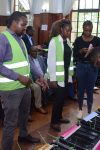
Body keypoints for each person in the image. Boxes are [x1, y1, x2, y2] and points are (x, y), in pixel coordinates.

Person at [0, 11, 46, 150]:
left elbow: (24, 63)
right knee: (10, 123)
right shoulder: (3, 39)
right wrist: (19, 77)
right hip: (11, 89)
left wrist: (36, 77)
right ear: (14, 23)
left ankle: (23, 135)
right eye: (23, 24)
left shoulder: (20, 38)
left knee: (24, 114)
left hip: (25, 86)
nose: (25, 28)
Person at [73, 20, 100, 118]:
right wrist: (81, 51)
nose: (88, 33)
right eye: (86, 30)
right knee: (80, 89)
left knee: (90, 90)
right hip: (81, 66)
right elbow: (74, 55)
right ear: (83, 29)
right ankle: (80, 109)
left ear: (92, 29)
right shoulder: (78, 40)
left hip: (92, 67)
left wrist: (94, 52)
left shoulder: (97, 40)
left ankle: (89, 111)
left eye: (90, 30)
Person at [47, 19, 73, 132]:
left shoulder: (67, 42)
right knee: (58, 99)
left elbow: (70, 60)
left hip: (66, 74)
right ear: (61, 29)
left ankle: (59, 117)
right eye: (67, 30)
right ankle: (54, 122)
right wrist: (52, 79)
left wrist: (70, 76)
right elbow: (51, 61)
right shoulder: (54, 41)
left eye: (70, 31)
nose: (68, 33)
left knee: (63, 98)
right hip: (57, 76)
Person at [29, 47, 48, 114]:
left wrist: (44, 78)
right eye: (33, 51)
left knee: (50, 81)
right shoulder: (28, 59)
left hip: (43, 76)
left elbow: (45, 69)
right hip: (35, 78)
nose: (35, 53)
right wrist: (39, 80)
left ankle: (46, 101)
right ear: (30, 52)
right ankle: (38, 106)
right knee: (37, 87)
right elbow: (32, 72)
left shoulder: (40, 58)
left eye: (36, 51)